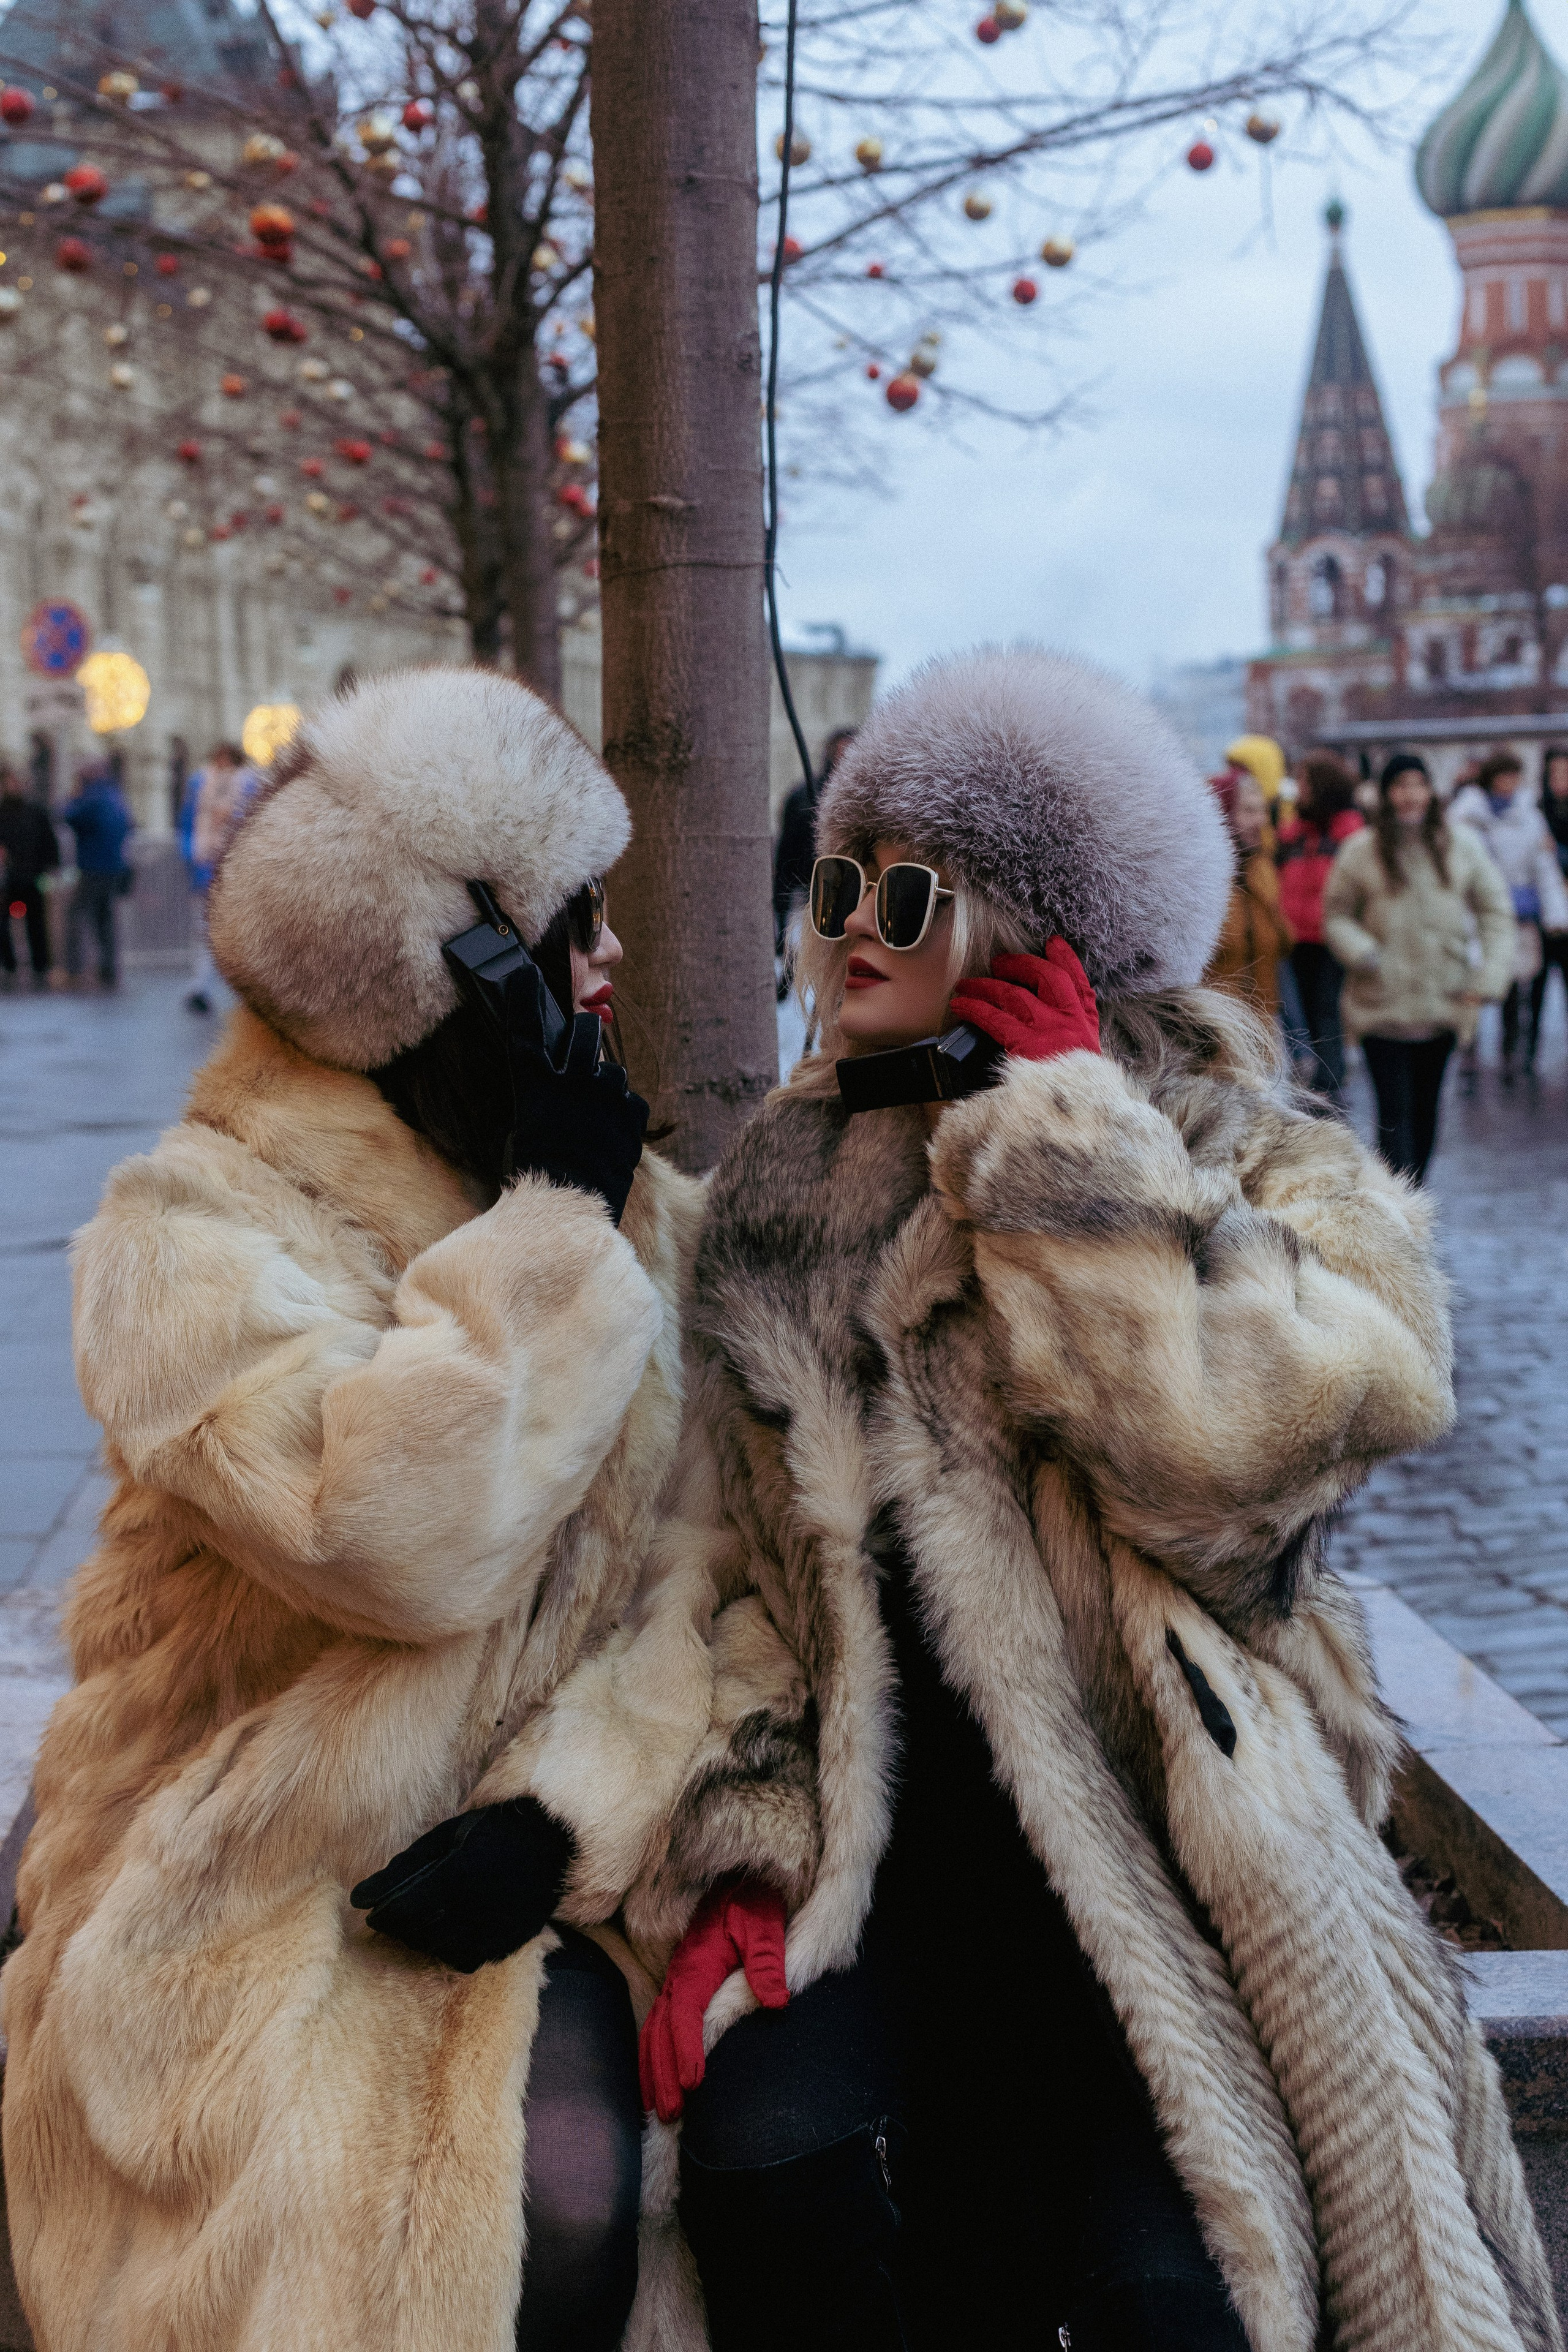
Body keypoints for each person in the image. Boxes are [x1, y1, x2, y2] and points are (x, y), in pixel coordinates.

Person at [636, 651, 1556, 2352]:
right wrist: (745, 1851)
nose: (850, 927)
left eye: (906, 893)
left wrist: (1078, 1156)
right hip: (889, 1859)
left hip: (1184, 1868)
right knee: (770, 2168)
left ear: (1032, 926)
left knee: (1172, 2309)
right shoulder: (785, 1174)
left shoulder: (1250, 1153)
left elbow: (1237, 1470)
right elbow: (737, 1564)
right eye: (837, 879)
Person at [1, 668, 795, 2352]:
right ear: (465, 976)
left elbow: (709, 1574)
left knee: (585, 2188)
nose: (616, 961)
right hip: (244, 1873)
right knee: (354, 2227)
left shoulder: (630, 1208)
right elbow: (391, 1538)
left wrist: (570, 1808)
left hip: (516, 1865)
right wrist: (550, 1233)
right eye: (577, 926)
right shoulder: (191, 1230)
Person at [1324, 752, 1514, 1185]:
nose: (1409, 795)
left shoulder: (1461, 844)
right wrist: (1364, 953)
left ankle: (1411, 1202)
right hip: (1381, 1008)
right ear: (1386, 795)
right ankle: (1400, 1215)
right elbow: (1336, 915)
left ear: (1431, 791)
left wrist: (1489, 977)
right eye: (1400, 786)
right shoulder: (1362, 851)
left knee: (1427, 1115)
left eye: (1418, 784)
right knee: (1394, 1117)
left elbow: (1495, 912)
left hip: (1443, 1003)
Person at [1449, 749, 1568, 1082]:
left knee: (1514, 986)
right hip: (1474, 915)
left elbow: (1543, 869)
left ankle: (1510, 1052)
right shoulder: (1464, 817)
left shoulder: (1529, 817)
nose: (1510, 784)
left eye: (1516, 777)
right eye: (1505, 776)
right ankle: (1468, 1048)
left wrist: (1557, 914)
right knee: (1473, 982)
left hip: (1516, 916)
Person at [1275, 752, 1364, 1104]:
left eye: (1305, 782)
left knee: (1328, 1007)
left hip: (1331, 936)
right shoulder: (1293, 831)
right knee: (1304, 1010)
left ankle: (1331, 1081)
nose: (1299, 789)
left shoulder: (1350, 830)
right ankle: (1320, 1076)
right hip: (1297, 936)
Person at [1202, 765, 1293, 1017]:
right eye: (1249, 811)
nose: (1262, 820)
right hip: (1214, 1033)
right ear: (1222, 814)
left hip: (1263, 1027)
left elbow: (1283, 943)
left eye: (1262, 809)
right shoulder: (1202, 882)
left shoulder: (1262, 868)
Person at [774, 725, 857, 990]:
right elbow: (786, 848)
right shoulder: (802, 796)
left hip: (837, 891)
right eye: (841, 750)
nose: (845, 757)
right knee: (795, 947)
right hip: (799, 887)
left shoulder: (860, 802)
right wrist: (781, 897)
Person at [178, 737, 247, 1012]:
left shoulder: (248, 784)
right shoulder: (200, 783)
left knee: (239, 932)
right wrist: (191, 856)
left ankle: (243, 989)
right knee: (204, 930)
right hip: (206, 867)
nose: (220, 764)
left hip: (237, 868)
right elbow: (186, 823)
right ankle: (201, 987)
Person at [58, 759, 134, 989]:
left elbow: (68, 815)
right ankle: (108, 969)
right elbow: (127, 825)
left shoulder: (91, 797)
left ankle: (73, 969)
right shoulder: (115, 796)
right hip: (114, 866)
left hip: (93, 866)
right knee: (105, 919)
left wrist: (72, 797)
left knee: (75, 916)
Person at [0, 766, 59, 989]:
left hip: (33, 876)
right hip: (9, 879)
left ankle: (40, 965)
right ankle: (9, 964)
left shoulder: (36, 811)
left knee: (36, 923)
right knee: (4, 924)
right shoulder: (4, 812)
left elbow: (48, 841)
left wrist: (50, 867)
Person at [1529, 744, 1568, 1068]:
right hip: (1543, 913)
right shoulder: (1537, 809)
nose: (1561, 780)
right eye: (1555, 773)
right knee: (1536, 986)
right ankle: (1528, 1052)